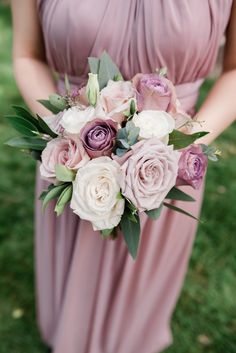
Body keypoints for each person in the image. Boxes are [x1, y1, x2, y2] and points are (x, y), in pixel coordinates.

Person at [11, 1, 236, 353]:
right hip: (71, 154)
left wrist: (175, 148)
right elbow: (27, 55)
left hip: (163, 169)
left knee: (137, 305)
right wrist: (66, 134)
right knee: (69, 283)